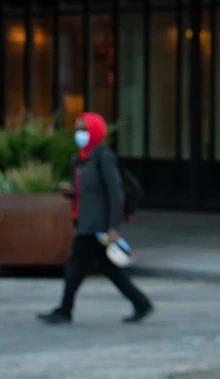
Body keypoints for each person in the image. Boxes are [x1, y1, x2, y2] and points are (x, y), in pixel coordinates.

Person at [37, 113, 153, 325]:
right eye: (78, 129)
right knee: (108, 268)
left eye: (84, 129)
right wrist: (71, 193)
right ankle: (141, 303)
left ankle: (64, 310)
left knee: (75, 265)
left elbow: (115, 191)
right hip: (85, 220)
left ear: (95, 132)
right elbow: (87, 191)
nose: (79, 134)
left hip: (96, 225)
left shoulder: (103, 156)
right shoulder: (79, 159)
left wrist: (113, 226)